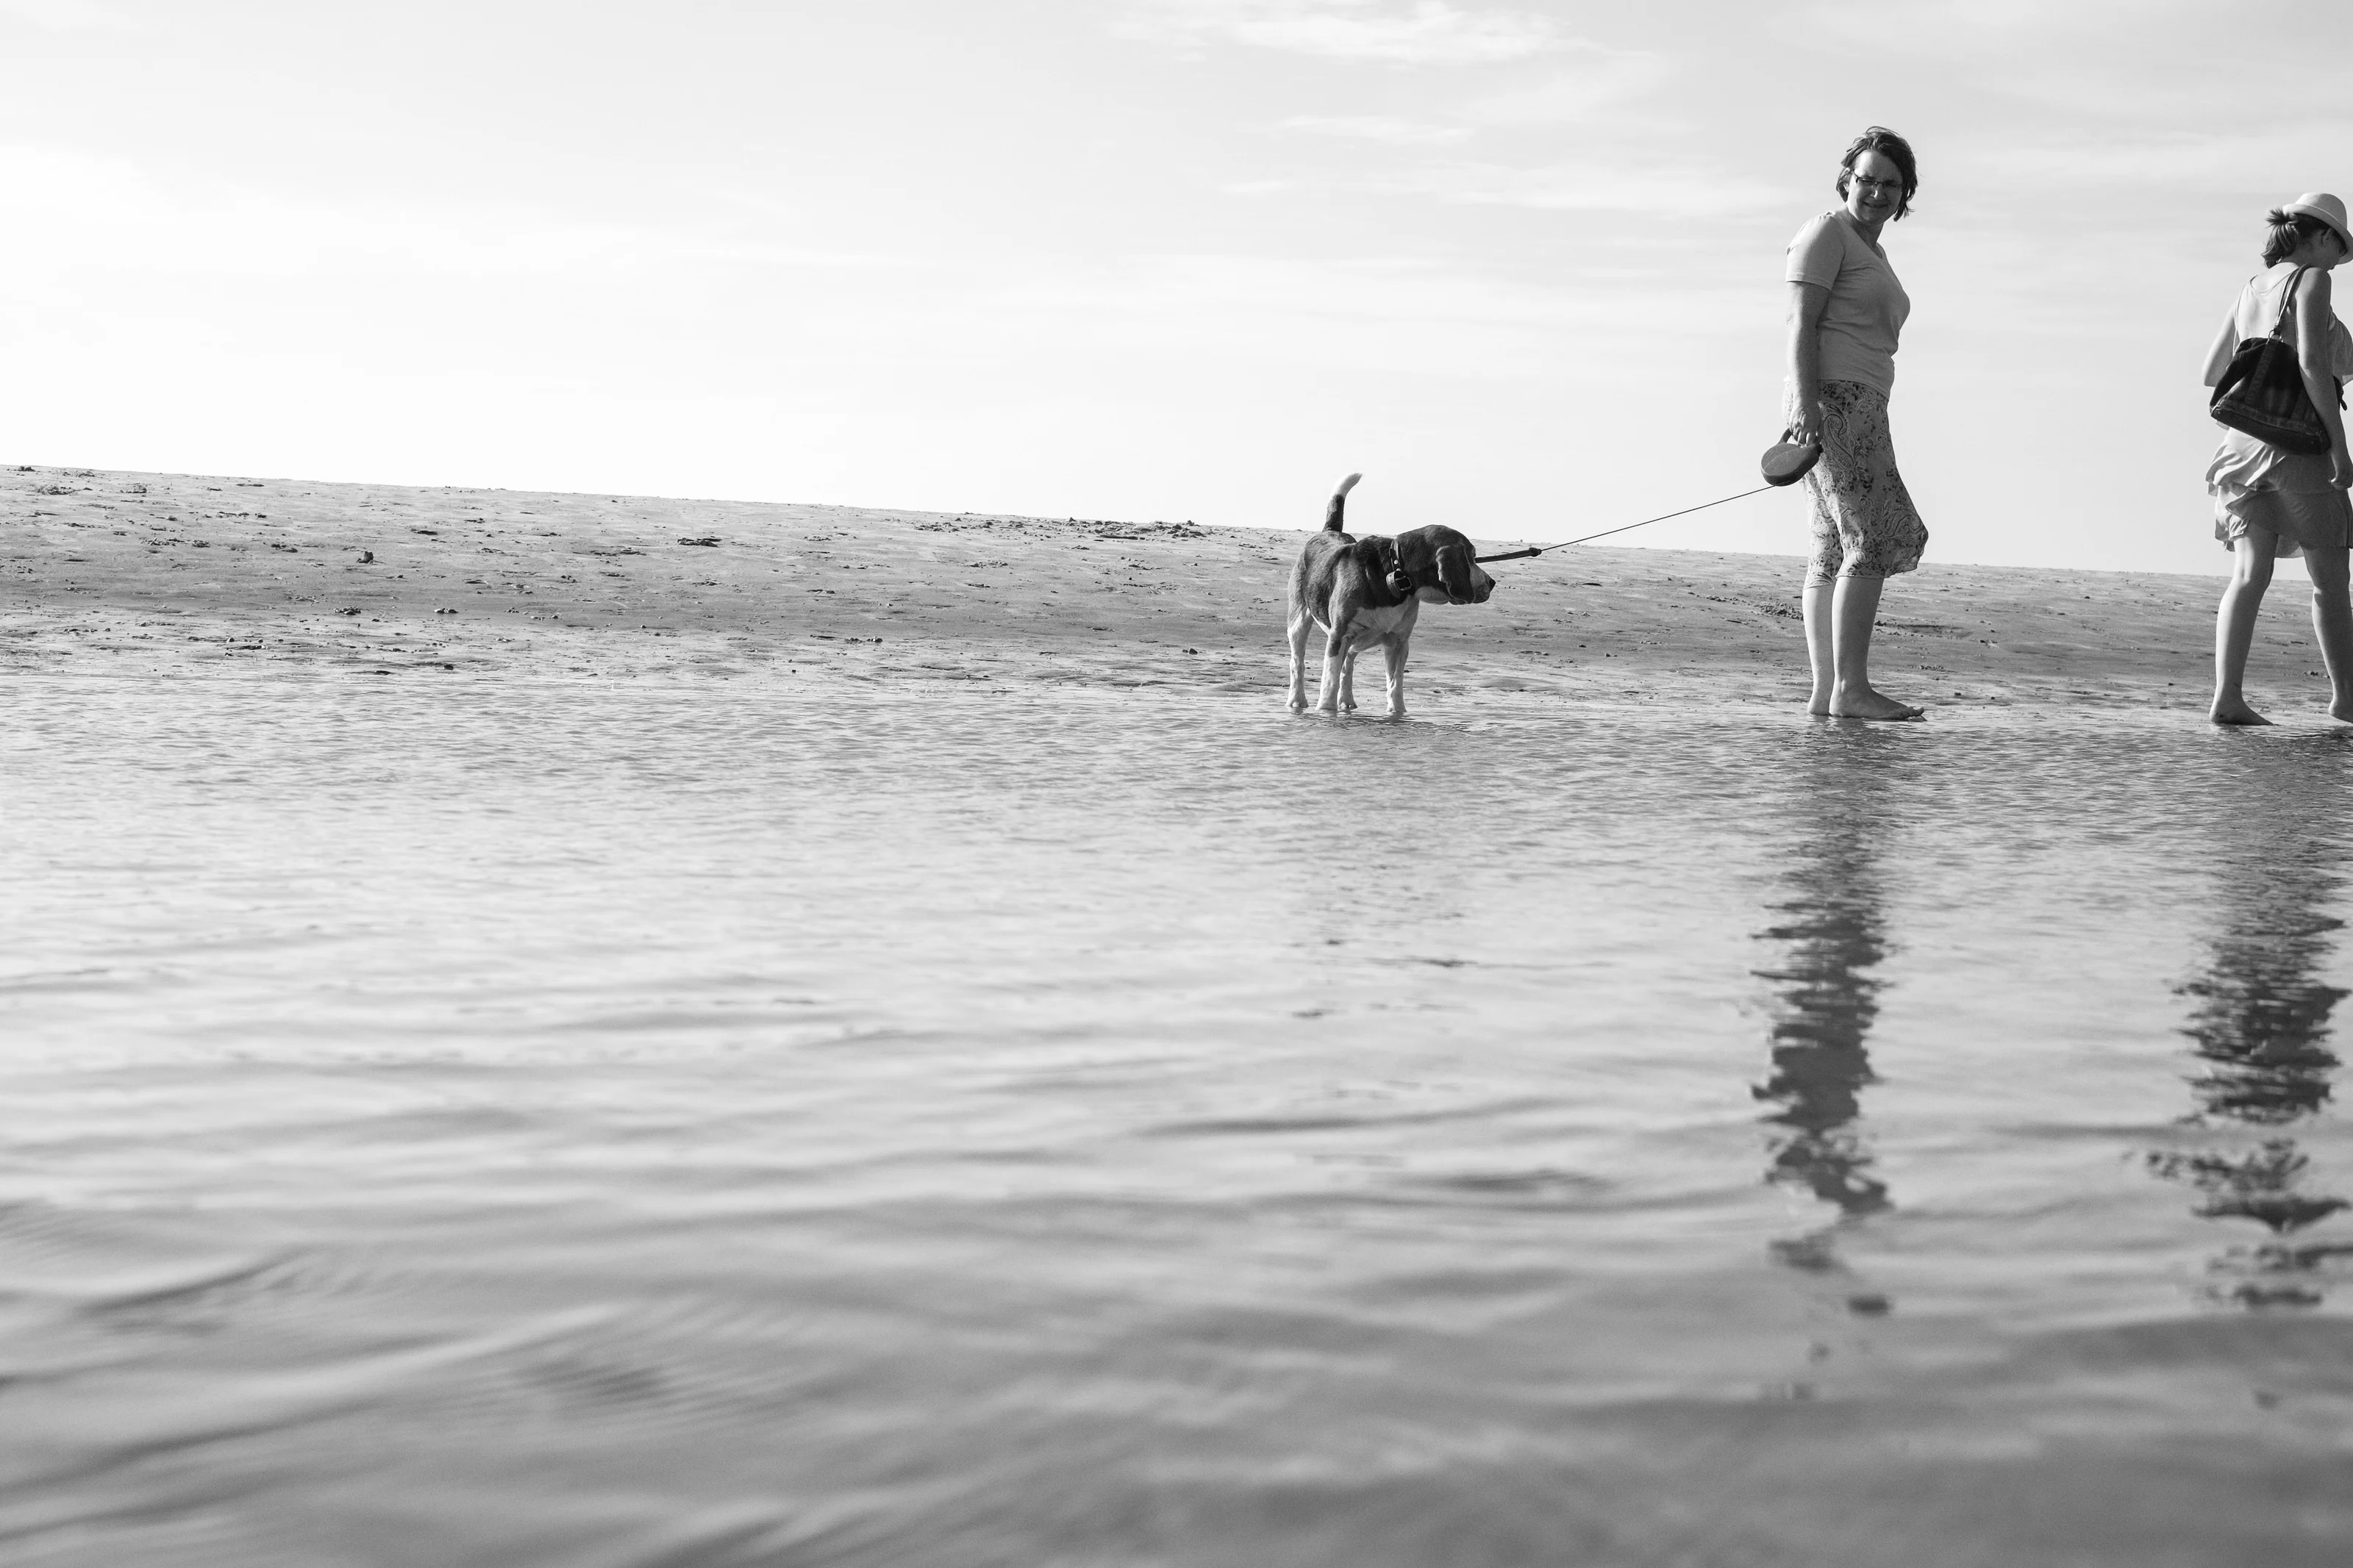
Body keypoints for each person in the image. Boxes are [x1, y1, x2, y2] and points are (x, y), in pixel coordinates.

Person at [1785, 126, 1930, 721]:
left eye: (1890, 184)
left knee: (1830, 546)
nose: (1876, 191)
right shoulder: (1827, 232)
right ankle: (1852, 688)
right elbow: (1800, 322)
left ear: (1905, 194)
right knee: (1871, 538)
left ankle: (1827, 694)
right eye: (1867, 178)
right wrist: (1806, 402)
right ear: (1847, 177)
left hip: (1864, 401)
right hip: (1834, 400)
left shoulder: (1871, 248)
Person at [2202, 193, 2353, 726]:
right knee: (2330, 574)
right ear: (2323, 237)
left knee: (2248, 573)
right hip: (2298, 449)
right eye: (2340, 245)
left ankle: (2228, 697)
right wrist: (2340, 445)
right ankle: (2346, 698)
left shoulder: (2250, 288)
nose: (2340, 259)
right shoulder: (2314, 280)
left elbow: (2212, 370)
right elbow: (2313, 365)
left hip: (2240, 450)